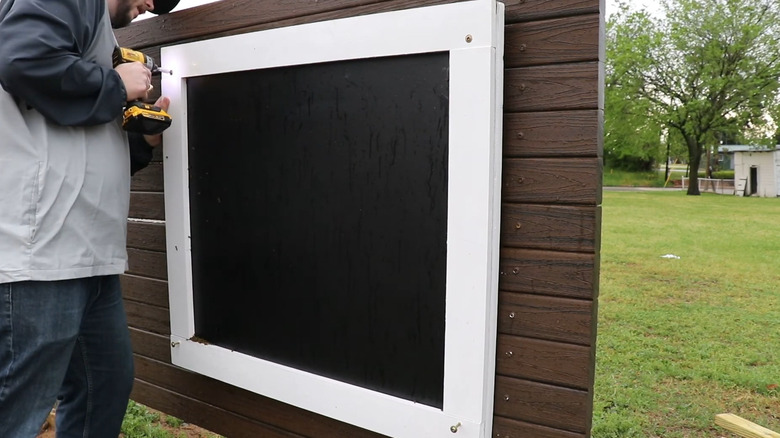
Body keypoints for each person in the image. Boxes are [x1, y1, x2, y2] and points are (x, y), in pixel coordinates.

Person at [0, 0, 179, 436]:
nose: (153, 5)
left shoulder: (97, 30)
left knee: (105, 384)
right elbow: (22, 59)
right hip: (41, 256)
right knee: (19, 409)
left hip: (87, 255)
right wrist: (117, 84)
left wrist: (141, 145)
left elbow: (71, 137)